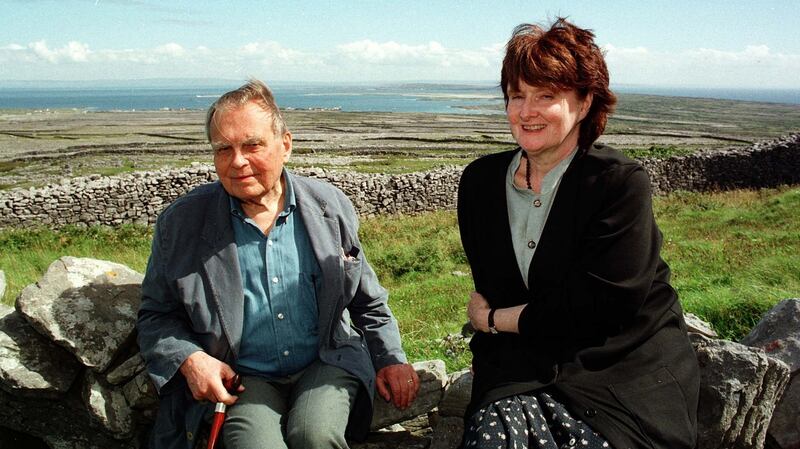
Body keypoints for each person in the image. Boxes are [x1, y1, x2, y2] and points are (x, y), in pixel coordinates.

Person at [137, 79, 419, 449]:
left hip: (325, 358)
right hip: (242, 374)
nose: (237, 161)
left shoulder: (329, 207)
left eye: (252, 145)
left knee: (315, 435)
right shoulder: (182, 224)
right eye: (224, 149)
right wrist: (191, 359)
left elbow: (365, 297)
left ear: (285, 144)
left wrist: (390, 358)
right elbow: (156, 315)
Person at [458, 18, 699, 449]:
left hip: (620, 369)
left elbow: (604, 309)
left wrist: (493, 321)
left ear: (585, 103)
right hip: (522, 363)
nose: (526, 111)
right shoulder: (479, 183)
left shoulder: (617, 183)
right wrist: (496, 337)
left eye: (546, 96)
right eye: (517, 96)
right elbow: (494, 286)